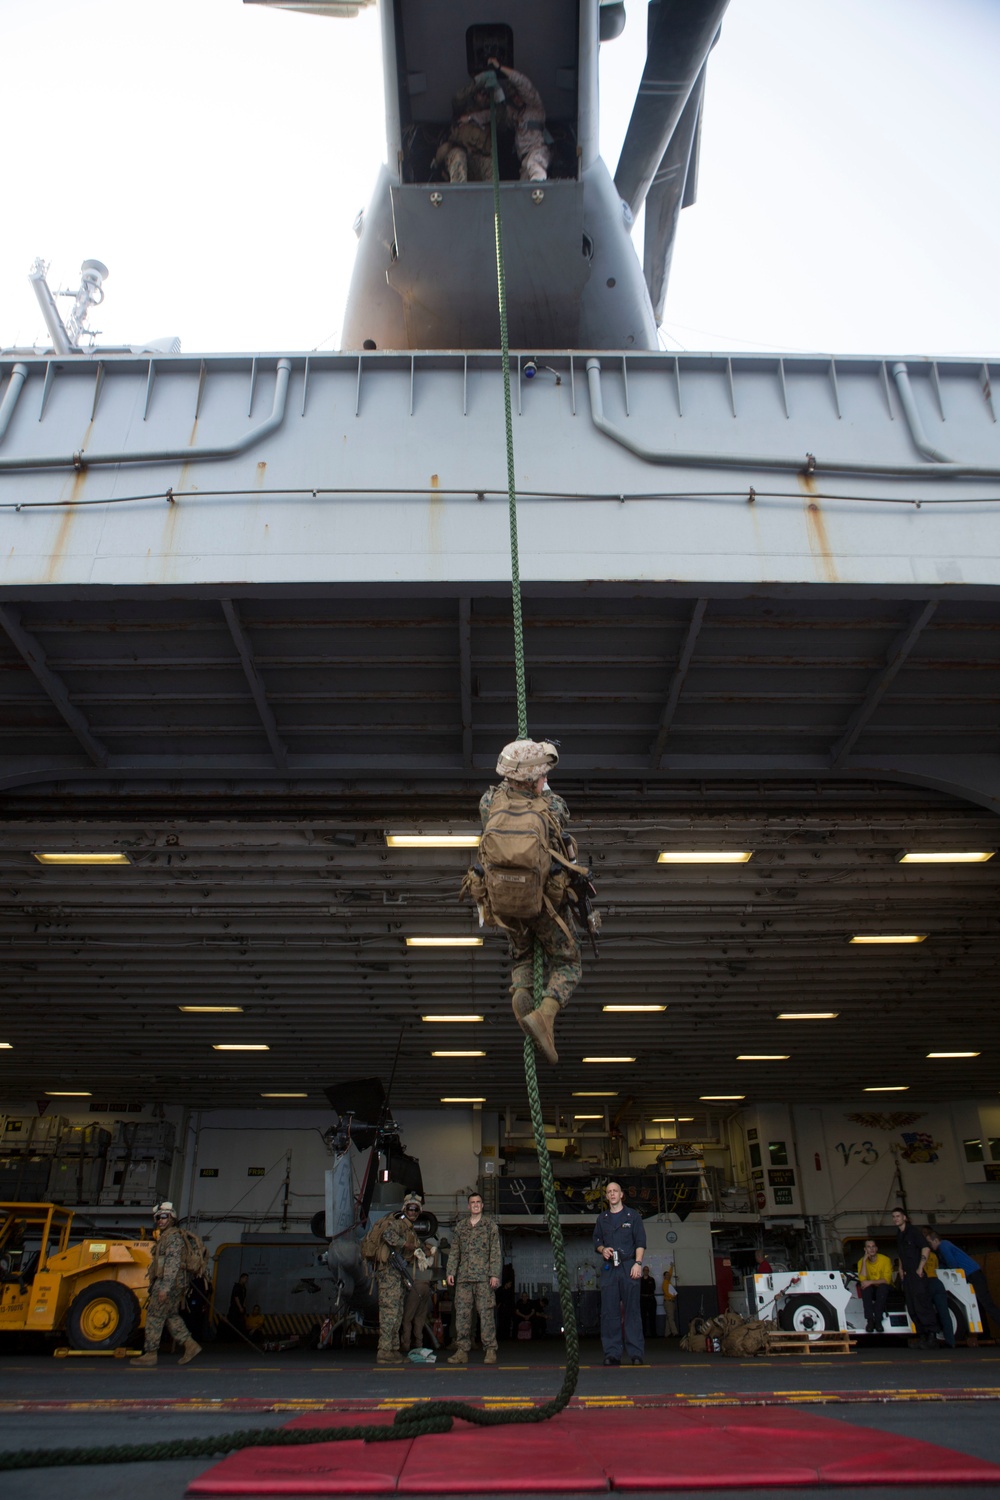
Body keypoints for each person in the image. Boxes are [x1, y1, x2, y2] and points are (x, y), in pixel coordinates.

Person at [478, 738, 581, 1065]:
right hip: (543, 906)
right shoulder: (551, 807)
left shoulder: (488, 802)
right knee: (568, 962)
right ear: (536, 778)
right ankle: (545, 1014)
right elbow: (558, 815)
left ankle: (522, 992)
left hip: (505, 904)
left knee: (523, 953)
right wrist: (544, 788)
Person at [130, 1202, 201, 1368]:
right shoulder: (166, 1237)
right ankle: (190, 1345)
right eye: (158, 1217)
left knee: (155, 1316)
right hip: (171, 1283)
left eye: (164, 1217)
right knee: (170, 1315)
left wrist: (165, 1287)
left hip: (168, 1283)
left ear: (172, 1218)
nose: (160, 1220)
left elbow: (172, 1263)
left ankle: (150, 1353)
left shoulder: (173, 1238)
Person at [593, 1181, 647, 1366]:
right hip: (610, 1269)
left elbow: (640, 1242)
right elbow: (597, 1241)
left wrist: (638, 1263)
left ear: (622, 1194)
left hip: (628, 1266)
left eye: (615, 1191)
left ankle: (636, 1353)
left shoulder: (633, 1216)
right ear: (606, 1197)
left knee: (632, 1311)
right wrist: (603, 1250)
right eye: (609, 1192)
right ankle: (612, 1353)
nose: (612, 1194)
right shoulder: (602, 1219)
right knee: (609, 1312)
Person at [446, 1190, 501, 1364]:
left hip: (484, 1278)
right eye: (473, 1202)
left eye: (478, 1202)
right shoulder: (461, 1227)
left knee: (486, 1314)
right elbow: (454, 1251)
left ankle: (490, 1350)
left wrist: (494, 1274)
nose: (476, 1205)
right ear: (468, 1206)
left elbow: (495, 1253)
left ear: (482, 1205)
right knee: (462, 1315)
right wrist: (450, 1271)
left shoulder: (490, 1226)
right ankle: (462, 1350)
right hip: (463, 1278)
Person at [924, 1230, 1000, 1339]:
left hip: (973, 1275)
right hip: (973, 1274)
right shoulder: (946, 1246)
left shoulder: (944, 1246)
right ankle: (985, 1335)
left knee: (987, 1305)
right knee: (981, 1306)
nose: (930, 1246)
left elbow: (952, 1264)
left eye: (930, 1242)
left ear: (936, 1240)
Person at [487, 57, 551, 181]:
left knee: (535, 168)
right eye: (513, 97)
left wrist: (500, 68)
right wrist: (469, 117)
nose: (517, 99)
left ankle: (540, 183)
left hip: (537, 152)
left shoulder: (534, 107)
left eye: (518, 95)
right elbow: (494, 114)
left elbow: (522, 82)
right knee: (523, 188)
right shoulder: (515, 114)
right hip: (524, 160)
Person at [375, 1200, 421, 1365]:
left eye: (416, 1210)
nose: (413, 1212)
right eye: (410, 1209)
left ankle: (392, 1349)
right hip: (389, 1275)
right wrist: (406, 1244)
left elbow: (416, 1246)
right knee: (390, 1313)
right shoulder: (398, 1224)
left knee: (397, 1313)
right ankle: (384, 1350)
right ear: (405, 1209)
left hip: (398, 1276)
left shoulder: (409, 1229)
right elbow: (387, 1235)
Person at [891, 1207, 940, 1349]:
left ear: (904, 1217)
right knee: (912, 1306)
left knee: (922, 1303)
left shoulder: (913, 1232)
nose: (895, 1219)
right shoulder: (899, 1235)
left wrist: (920, 1267)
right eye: (894, 1217)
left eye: (898, 1216)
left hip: (916, 1273)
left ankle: (932, 1336)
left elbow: (925, 1248)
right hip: (906, 1275)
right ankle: (922, 1336)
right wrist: (900, 1269)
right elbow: (901, 1254)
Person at [433, 79, 496, 184]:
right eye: (482, 93)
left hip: (477, 160)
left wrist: (472, 118)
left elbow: (502, 113)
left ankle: (491, 199)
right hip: (457, 155)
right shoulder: (462, 112)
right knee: (459, 157)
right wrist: (478, 83)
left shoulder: (492, 117)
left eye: (488, 95)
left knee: (490, 165)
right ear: (475, 96)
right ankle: (458, 196)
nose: (485, 97)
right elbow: (458, 98)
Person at [401, 1204, 439, 1352]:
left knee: (407, 1319)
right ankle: (419, 1345)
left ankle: (405, 1345)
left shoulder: (414, 1254)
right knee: (420, 1319)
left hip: (415, 1286)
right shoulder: (429, 1254)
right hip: (426, 1287)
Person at [856, 1238, 894, 1333]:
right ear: (865, 1249)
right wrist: (864, 1261)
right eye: (869, 1247)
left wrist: (870, 1282)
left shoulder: (885, 1260)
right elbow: (863, 1280)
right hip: (872, 1288)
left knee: (882, 1288)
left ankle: (878, 1320)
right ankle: (870, 1320)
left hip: (885, 1287)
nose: (871, 1249)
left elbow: (887, 1280)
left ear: (876, 1248)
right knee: (865, 1289)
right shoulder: (861, 1261)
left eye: (873, 1246)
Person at [923, 1244, 956, 1348]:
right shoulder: (933, 1255)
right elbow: (937, 1267)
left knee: (928, 1312)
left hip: (926, 1283)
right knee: (944, 1313)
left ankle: (931, 1340)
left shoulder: (919, 1255)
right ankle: (951, 1341)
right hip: (937, 1282)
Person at [228, 1271, 249, 1338]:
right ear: (241, 1278)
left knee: (240, 1323)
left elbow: (244, 1298)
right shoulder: (237, 1286)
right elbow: (236, 1297)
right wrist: (240, 1307)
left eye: (247, 1279)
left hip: (241, 1308)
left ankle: (238, 1337)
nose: (246, 1280)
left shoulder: (244, 1289)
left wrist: (244, 1307)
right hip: (235, 1308)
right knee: (233, 1322)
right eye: (245, 1278)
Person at [661, 1262, 678, 1337]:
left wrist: (671, 1267)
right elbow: (666, 1292)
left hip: (670, 1301)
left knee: (669, 1318)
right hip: (668, 1301)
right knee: (671, 1318)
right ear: (664, 1276)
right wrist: (672, 1296)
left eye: (668, 1275)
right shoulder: (665, 1283)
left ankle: (667, 1333)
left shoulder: (668, 1282)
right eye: (666, 1275)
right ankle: (675, 1332)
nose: (668, 1276)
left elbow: (670, 1273)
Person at [639, 1265, 657, 1338]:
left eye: (647, 1270)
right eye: (645, 1270)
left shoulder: (651, 1279)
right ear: (643, 1271)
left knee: (652, 1317)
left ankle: (653, 1333)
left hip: (650, 1299)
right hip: (643, 1299)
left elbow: (653, 1288)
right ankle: (643, 1333)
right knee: (643, 1318)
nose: (646, 1271)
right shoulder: (640, 1280)